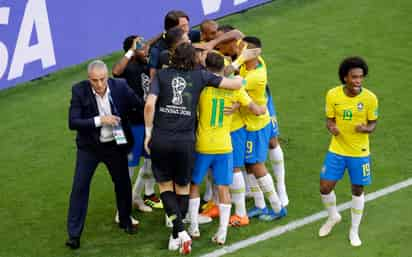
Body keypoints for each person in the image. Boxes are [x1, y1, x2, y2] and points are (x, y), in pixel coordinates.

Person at [144, 43, 243, 254]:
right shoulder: (201, 76)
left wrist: (148, 132)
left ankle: (179, 232)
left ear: (173, 56)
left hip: (161, 138)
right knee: (182, 188)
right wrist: (240, 74)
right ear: (194, 59)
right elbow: (234, 85)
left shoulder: (160, 76)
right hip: (185, 142)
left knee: (164, 187)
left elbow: (150, 105)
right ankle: (178, 234)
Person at [187, 52, 266, 245]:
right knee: (223, 187)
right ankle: (222, 231)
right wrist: (259, 108)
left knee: (194, 184)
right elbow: (257, 109)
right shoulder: (236, 89)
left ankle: (194, 226)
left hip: (203, 144)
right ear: (223, 69)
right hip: (224, 146)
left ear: (207, 69)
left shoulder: (202, 87)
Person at [66, 60, 143, 249]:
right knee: (80, 187)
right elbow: (73, 122)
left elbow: (139, 104)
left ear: (107, 76)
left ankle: (125, 220)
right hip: (89, 148)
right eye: (94, 81)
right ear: (88, 79)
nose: (99, 85)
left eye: (102, 79)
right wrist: (102, 120)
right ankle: (74, 235)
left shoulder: (120, 87)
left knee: (123, 183)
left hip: (115, 146)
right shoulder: (79, 90)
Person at [318, 56, 378, 247]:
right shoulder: (333, 95)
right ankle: (333, 216)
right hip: (336, 149)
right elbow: (329, 119)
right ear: (345, 77)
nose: (358, 81)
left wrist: (366, 129)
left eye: (360, 77)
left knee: (357, 189)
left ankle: (354, 230)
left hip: (359, 153)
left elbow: (373, 123)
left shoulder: (370, 98)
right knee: (325, 187)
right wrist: (331, 128)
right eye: (354, 77)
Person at [235, 37, 286, 221]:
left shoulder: (255, 76)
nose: (236, 48)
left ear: (249, 52)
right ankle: (259, 205)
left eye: (240, 47)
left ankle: (277, 207)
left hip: (256, 126)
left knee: (256, 164)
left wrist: (239, 59)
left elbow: (232, 83)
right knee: (249, 164)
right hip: (250, 123)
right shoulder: (255, 63)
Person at [112, 35, 161, 214]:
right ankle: (121, 210)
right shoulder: (127, 67)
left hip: (147, 122)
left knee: (150, 164)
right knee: (128, 168)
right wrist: (132, 50)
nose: (145, 49)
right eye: (140, 47)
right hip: (129, 125)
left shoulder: (147, 65)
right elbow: (116, 72)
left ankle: (136, 196)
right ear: (131, 51)